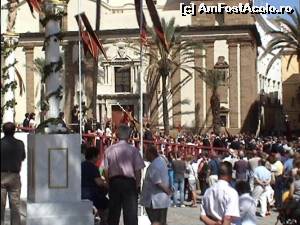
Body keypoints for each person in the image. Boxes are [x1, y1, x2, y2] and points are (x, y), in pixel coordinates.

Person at [104, 124, 145, 225]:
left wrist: (109, 183)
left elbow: (105, 170)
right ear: (129, 136)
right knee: (130, 213)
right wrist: (137, 184)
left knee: (113, 213)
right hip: (129, 183)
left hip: (114, 182)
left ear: (117, 135)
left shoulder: (109, 150)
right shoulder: (134, 150)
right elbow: (138, 170)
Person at [1, 122, 26, 225]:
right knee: (15, 206)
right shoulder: (20, 143)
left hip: (1, 175)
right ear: (14, 131)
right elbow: (23, 157)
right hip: (14, 176)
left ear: (3, 131)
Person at [140, 145, 172, 225]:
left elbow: (157, 182)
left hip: (155, 200)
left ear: (151, 154)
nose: (145, 156)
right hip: (160, 199)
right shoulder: (161, 161)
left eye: (146, 154)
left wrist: (167, 190)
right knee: (162, 222)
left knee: (156, 221)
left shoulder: (154, 165)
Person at [81, 147, 109, 225]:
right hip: (91, 194)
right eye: (98, 156)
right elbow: (99, 183)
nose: (99, 158)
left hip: (81, 193)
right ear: (94, 156)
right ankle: (104, 221)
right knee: (107, 204)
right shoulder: (92, 167)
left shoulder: (81, 165)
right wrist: (108, 186)